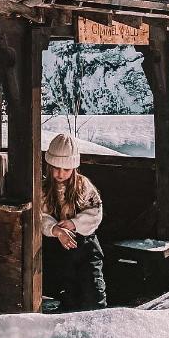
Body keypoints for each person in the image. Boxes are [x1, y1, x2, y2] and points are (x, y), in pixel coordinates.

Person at [41, 133, 107, 311]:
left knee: (94, 293)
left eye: (66, 169)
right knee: (68, 295)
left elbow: (95, 212)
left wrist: (74, 223)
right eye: (56, 168)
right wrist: (54, 229)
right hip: (60, 251)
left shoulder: (83, 186)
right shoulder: (45, 189)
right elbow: (41, 216)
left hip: (86, 248)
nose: (60, 174)